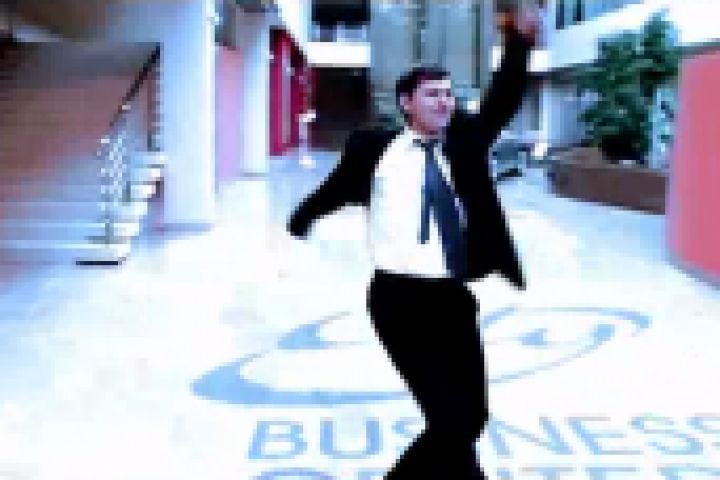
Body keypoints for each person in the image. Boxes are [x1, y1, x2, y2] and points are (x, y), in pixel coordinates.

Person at [288, 3, 541, 478]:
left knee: (470, 416)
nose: (444, 102)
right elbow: (335, 189)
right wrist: (303, 217)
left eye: (448, 94)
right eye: (432, 95)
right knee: (452, 420)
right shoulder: (374, 149)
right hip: (398, 301)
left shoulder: (465, 142)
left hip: (452, 299)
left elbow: (503, 99)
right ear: (406, 102)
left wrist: (520, 42)